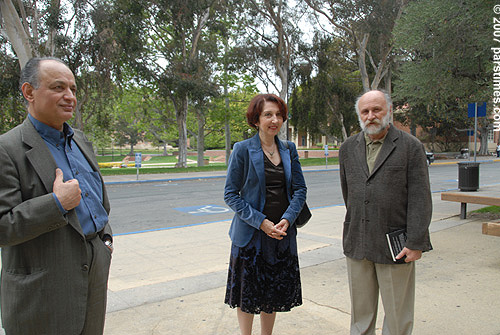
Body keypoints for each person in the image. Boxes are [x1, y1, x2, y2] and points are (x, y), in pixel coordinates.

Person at [0, 57, 113, 334]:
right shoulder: (7, 149)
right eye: (58, 87)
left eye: (73, 89)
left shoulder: (81, 141)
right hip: (42, 291)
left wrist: (105, 241)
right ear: (29, 92)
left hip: (93, 276)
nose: (69, 97)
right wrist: (56, 203)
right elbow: (3, 226)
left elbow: (98, 203)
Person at [339, 90, 432, 335]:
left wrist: (415, 242)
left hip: (396, 245)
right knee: (360, 317)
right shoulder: (348, 148)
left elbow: (420, 198)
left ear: (388, 111)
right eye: (365, 111)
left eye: (376, 110)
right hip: (357, 242)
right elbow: (349, 193)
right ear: (360, 115)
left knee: (398, 316)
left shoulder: (410, 147)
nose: (371, 116)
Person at [224, 94, 307, 335]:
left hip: (281, 234)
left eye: (279, 115)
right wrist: (261, 223)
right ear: (256, 119)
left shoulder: (289, 149)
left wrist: (287, 219)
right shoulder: (242, 150)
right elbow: (231, 194)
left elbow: (300, 189)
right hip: (251, 236)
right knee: (248, 294)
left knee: (271, 293)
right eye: (268, 114)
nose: (275, 120)